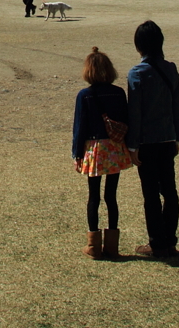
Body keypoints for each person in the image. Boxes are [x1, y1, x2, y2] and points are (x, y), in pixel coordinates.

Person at [127, 20, 179, 258]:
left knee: (150, 193)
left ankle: (157, 243)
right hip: (167, 139)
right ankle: (169, 240)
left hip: (147, 143)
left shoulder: (137, 74)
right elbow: (176, 105)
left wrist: (132, 146)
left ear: (139, 46)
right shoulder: (170, 69)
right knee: (169, 190)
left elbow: (135, 113)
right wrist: (177, 136)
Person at [72, 46, 132, 258]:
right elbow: (126, 121)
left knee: (93, 197)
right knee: (111, 196)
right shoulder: (118, 93)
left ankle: (93, 245)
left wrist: (76, 154)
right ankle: (112, 245)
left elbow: (79, 127)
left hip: (95, 149)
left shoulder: (84, 95)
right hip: (115, 147)